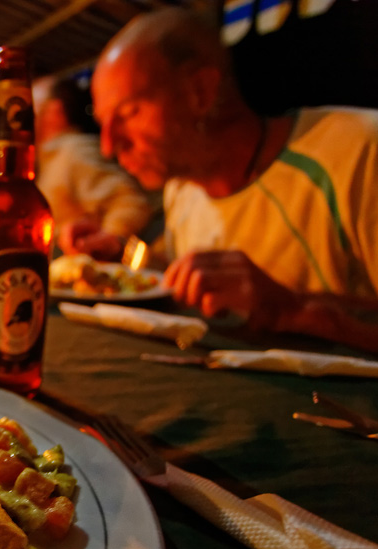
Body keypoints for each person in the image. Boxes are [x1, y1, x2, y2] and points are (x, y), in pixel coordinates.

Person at [91, 8, 378, 352]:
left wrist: (295, 309)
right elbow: (179, 280)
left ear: (200, 91)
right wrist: (113, 257)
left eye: (128, 113)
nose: (108, 145)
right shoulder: (182, 191)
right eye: (104, 122)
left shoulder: (359, 151)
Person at [32, 75, 158, 261]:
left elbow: (130, 202)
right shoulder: (48, 158)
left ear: (54, 111)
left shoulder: (74, 151)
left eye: (31, 108)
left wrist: (109, 241)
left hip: (80, 280)